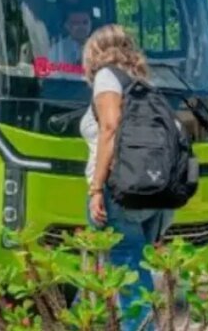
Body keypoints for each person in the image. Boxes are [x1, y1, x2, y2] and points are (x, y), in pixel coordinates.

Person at [81, 24, 170, 330]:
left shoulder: (107, 77)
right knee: (113, 269)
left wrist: (96, 188)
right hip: (147, 188)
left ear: (94, 51)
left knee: (128, 274)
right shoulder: (142, 82)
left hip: (116, 188)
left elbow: (110, 128)